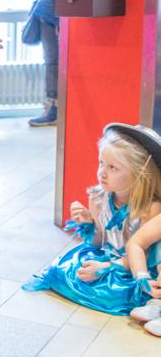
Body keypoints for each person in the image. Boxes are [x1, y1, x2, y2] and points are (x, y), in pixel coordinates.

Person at [26, 123, 161, 315]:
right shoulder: (98, 198)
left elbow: (143, 254)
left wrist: (106, 268)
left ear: (139, 174)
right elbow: (100, 242)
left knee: (115, 292)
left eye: (113, 168)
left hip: (133, 266)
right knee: (62, 271)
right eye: (101, 163)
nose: (102, 173)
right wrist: (89, 223)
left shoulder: (150, 209)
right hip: (108, 256)